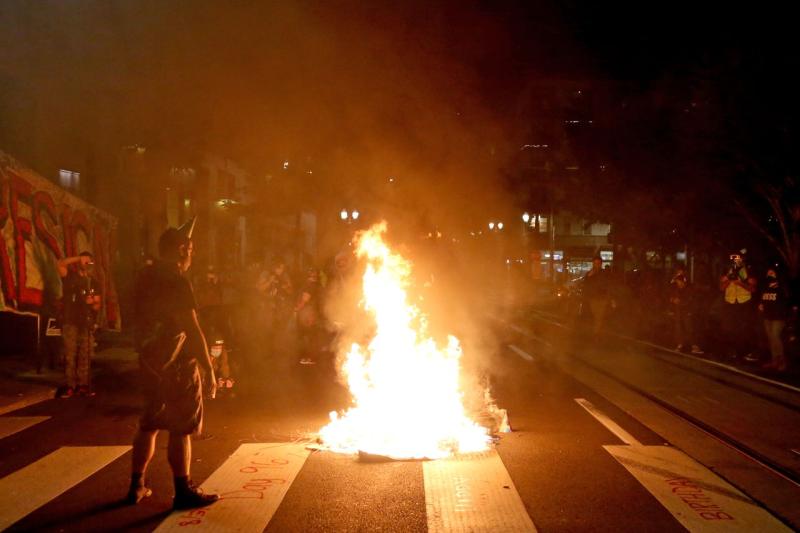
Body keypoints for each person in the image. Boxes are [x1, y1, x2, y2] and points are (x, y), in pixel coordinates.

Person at [127, 218, 219, 509]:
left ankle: (136, 486)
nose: (192, 253)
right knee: (181, 428)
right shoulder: (177, 280)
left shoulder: (144, 276)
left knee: (149, 424)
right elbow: (191, 327)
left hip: (150, 360)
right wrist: (209, 367)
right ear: (180, 250)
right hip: (178, 364)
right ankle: (183, 491)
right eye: (190, 248)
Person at [57, 251, 102, 398]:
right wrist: (78, 258)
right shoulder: (71, 277)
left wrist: (92, 302)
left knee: (85, 355)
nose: (87, 264)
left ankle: (83, 385)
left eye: (90, 262)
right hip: (71, 321)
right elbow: (60, 264)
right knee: (70, 355)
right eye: (85, 261)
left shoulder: (93, 282)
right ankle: (70, 386)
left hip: (86, 322)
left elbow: (97, 305)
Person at [719, 250, 757, 361]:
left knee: (745, 328)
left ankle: (746, 352)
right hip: (730, 302)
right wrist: (727, 279)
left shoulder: (748, 270)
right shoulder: (727, 269)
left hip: (744, 301)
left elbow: (753, 288)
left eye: (739, 258)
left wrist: (740, 282)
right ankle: (733, 351)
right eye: (734, 259)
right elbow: (721, 288)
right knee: (729, 328)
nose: (736, 260)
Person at [758, 265, 791, 371]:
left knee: (775, 336)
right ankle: (774, 361)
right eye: (768, 272)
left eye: (772, 272)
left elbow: (788, 298)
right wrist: (761, 304)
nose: (770, 274)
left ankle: (782, 361)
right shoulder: (765, 285)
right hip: (768, 315)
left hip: (779, 316)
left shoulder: (782, 286)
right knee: (771, 338)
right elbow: (762, 297)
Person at [668, 265, 704, 354]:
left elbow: (690, 299)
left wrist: (680, 302)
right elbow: (671, 297)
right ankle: (680, 345)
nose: (678, 283)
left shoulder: (689, 287)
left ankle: (694, 346)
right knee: (679, 328)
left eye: (679, 281)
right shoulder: (675, 287)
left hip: (687, 311)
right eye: (677, 281)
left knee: (690, 328)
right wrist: (673, 301)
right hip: (678, 311)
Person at [582, 255, 610, 335]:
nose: (596, 265)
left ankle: (596, 334)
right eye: (595, 263)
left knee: (599, 317)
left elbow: (608, 285)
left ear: (601, 264)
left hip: (602, 299)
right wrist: (589, 276)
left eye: (598, 263)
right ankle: (596, 333)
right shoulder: (590, 273)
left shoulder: (604, 273)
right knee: (595, 317)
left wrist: (609, 298)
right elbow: (586, 285)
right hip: (592, 299)